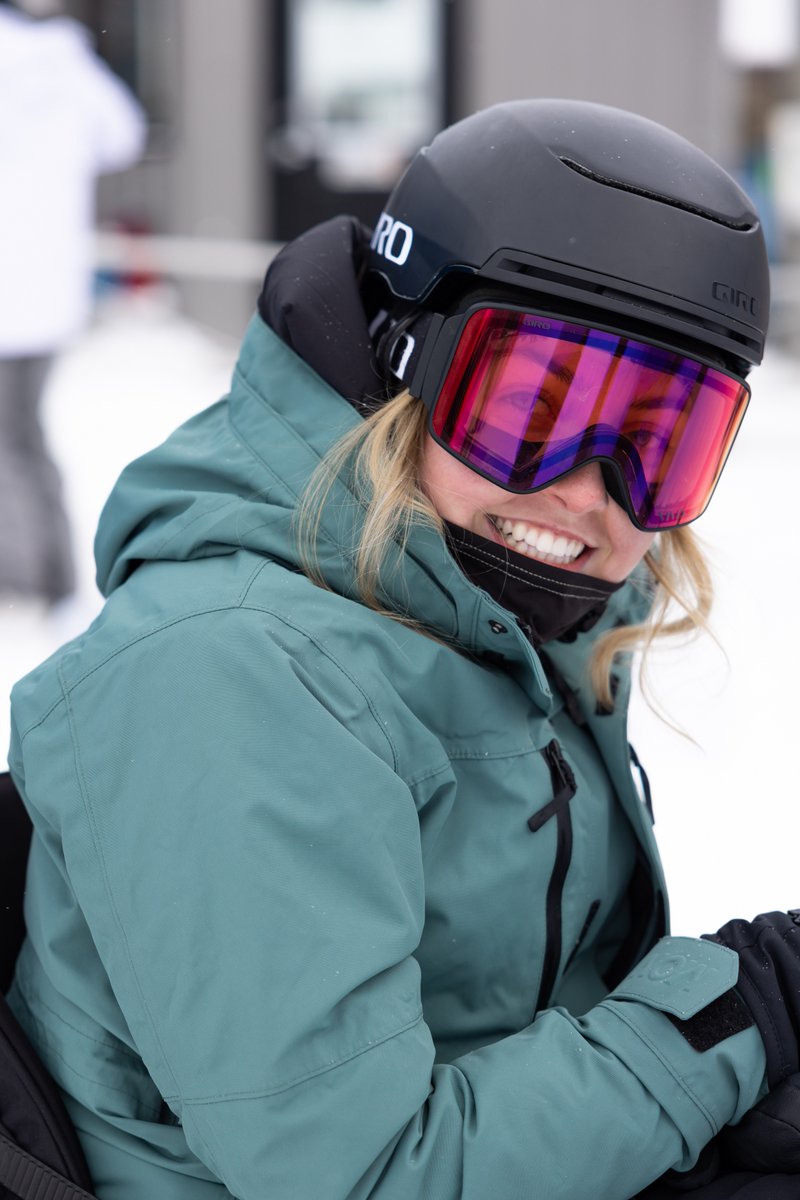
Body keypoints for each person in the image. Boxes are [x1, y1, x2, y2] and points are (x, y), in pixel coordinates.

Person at [5, 98, 800, 1200]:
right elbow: (365, 1175)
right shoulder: (229, 676)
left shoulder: (494, 629)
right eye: (531, 410)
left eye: (655, 443)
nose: (583, 489)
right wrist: (728, 1018)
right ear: (400, 365)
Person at [0, 0, 145, 608]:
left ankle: (25, 579)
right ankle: (49, 572)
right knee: (23, 435)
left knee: (11, 441)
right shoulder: (67, 64)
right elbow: (123, 139)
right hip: (46, 293)